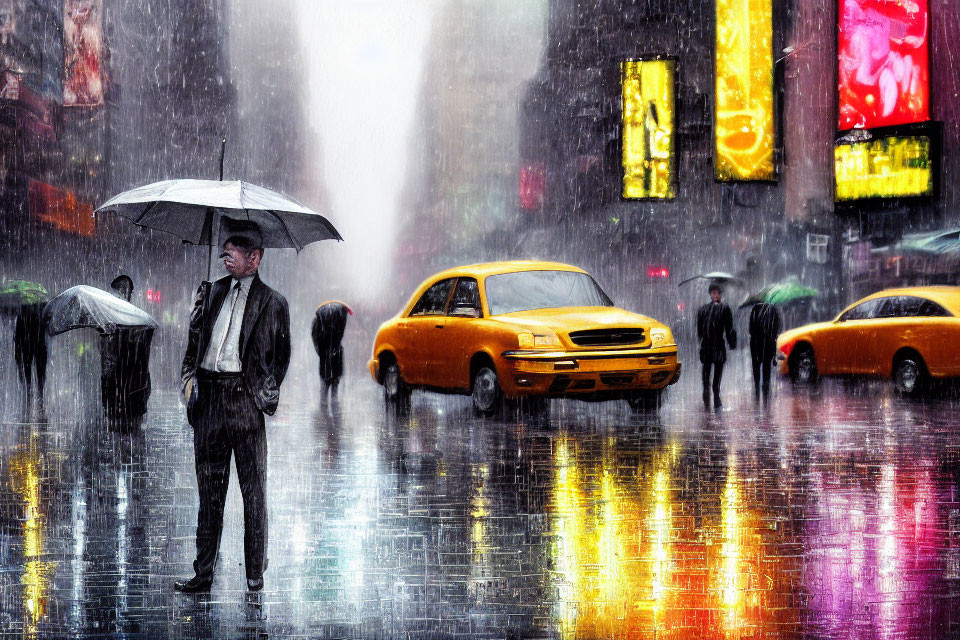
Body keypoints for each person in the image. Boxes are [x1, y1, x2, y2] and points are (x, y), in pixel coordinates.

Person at [177, 219, 291, 594]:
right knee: (209, 493)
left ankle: (254, 573)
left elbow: (280, 357)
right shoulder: (210, 292)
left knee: (253, 492)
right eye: (224, 249)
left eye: (234, 250)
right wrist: (190, 380)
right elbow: (195, 344)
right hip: (208, 400)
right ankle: (203, 572)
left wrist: (263, 392)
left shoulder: (273, 303)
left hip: (244, 402)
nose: (225, 254)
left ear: (255, 258)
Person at [99, 325, 154, 430]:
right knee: (132, 431)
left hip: (124, 401)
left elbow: (107, 378)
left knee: (119, 432)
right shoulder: (138, 348)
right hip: (132, 399)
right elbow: (144, 374)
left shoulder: (111, 349)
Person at [696, 283, 736, 409]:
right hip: (707, 345)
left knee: (717, 373)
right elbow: (700, 329)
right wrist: (702, 338)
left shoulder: (725, 309)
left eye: (718, 293)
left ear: (721, 294)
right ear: (710, 294)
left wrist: (731, 342)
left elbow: (729, 328)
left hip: (718, 345)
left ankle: (716, 394)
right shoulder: (703, 310)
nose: (716, 295)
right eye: (713, 293)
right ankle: (706, 392)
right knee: (706, 372)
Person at [311, 300, 352, 404]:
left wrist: (320, 351)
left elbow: (314, 338)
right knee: (334, 385)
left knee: (325, 383)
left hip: (325, 356)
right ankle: (333, 403)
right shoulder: (338, 326)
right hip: (334, 356)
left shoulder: (319, 323)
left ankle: (324, 403)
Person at [13, 302, 48, 420]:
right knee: (39, 378)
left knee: (30, 378)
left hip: (28, 349)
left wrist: (18, 355)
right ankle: (39, 403)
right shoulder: (41, 311)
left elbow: (17, 337)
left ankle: (29, 403)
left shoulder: (22, 314)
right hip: (37, 349)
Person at [749, 302, 781, 402]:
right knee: (764, 366)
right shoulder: (772, 309)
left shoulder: (756, 309)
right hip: (764, 342)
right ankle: (763, 388)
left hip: (759, 342)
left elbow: (751, 328)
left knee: (759, 366)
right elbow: (777, 327)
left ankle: (759, 388)